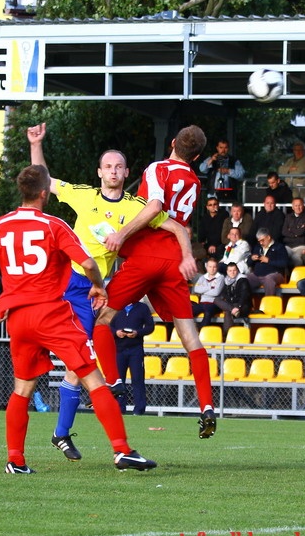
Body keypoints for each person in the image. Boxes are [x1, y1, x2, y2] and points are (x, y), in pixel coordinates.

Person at [0, 123, 182, 462]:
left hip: (82, 296)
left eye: (118, 166)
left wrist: (177, 248)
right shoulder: (81, 197)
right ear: (99, 172)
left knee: (69, 366)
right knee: (75, 363)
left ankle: (60, 433)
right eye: (107, 165)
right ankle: (110, 446)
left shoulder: (136, 206)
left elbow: (169, 223)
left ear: (127, 172)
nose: (113, 170)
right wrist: (36, 145)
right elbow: (44, 181)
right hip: (64, 282)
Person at [0, 164, 157, 473]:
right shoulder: (54, 225)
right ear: (45, 193)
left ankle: (16, 459)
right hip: (53, 312)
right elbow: (85, 261)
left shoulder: (3, 224)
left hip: (18, 316)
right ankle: (122, 451)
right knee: (93, 379)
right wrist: (99, 285)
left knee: (23, 388)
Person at [94, 124, 217, 439]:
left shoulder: (157, 168)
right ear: (198, 156)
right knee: (190, 337)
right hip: (174, 262)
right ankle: (206, 406)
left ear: (173, 142)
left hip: (146, 257)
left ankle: (113, 382)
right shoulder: (193, 181)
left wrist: (120, 234)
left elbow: (155, 208)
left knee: (102, 318)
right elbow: (179, 221)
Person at [110, 300, 154, 415]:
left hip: (136, 349)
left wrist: (137, 333)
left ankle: (139, 409)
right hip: (118, 350)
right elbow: (107, 325)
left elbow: (150, 327)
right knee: (119, 380)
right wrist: (116, 333)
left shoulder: (143, 308)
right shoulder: (116, 306)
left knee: (138, 380)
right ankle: (119, 409)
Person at [245, 227, 289, 295]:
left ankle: (269, 304)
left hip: (275, 274)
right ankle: (245, 304)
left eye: (262, 240)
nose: (261, 243)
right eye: (259, 241)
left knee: (269, 279)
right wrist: (251, 258)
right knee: (244, 278)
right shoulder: (258, 247)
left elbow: (284, 263)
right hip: (257, 275)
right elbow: (248, 263)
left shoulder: (279, 247)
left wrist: (269, 261)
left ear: (268, 237)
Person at [213, 262, 252, 336]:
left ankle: (227, 336)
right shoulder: (226, 281)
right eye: (230, 271)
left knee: (227, 312)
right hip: (232, 305)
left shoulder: (243, 280)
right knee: (216, 299)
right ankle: (231, 309)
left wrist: (238, 307)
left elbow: (244, 296)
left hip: (242, 306)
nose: (232, 273)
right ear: (227, 272)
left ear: (237, 271)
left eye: (234, 270)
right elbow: (223, 294)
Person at [192, 258, 225, 327]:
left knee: (208, 312)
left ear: (217, 267)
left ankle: (201, 332)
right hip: (202, 303)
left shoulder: (220, 278)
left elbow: (216, 292)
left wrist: (203, 290)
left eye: (214, 267)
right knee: (189, 311)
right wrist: (210, 287)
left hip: (214, 304)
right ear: (206, 267)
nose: (212, 269)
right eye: (210, 267)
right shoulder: (202, 277)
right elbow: (196, 289)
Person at [281, 197, 305, 267]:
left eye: (300, 205)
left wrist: (290, 229)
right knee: (281, 257)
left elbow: (301, 232)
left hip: (301, 246)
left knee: (296, 259)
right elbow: (284, 231)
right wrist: (297, 232)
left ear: (303, 205)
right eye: (296, 205)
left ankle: (297, 277)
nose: (298, 207)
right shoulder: (288, 217)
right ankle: (284, 276)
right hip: (288, 246)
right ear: (293, 207)